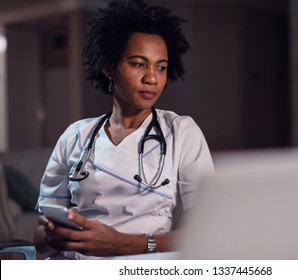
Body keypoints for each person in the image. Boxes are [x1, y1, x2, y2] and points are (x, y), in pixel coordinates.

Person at [33, 0, 214, 260]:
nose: (152, 77)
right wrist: (52, 235)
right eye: (139, 64)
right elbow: (40, 236)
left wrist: (125, 244)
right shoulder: (75, 136)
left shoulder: (181, 132)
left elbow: (206, 231)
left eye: (161, 67)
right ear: (109, 68)